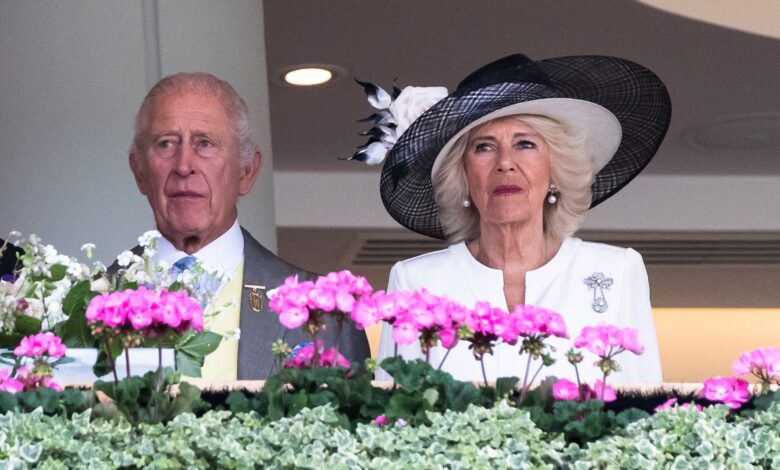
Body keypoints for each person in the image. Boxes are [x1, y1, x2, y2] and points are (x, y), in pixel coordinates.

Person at [350, 54, 670, 384]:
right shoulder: (415, 282)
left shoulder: (617, 272)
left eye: (525, 144)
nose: (505, 163)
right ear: (462, 175)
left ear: (555, 171)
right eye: (484, 147)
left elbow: (645, 411)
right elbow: (394, 416)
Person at [128, 72, 370, 380]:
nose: (184, 165)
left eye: (205, 143)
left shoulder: (327, 314)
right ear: (139, 171)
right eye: (165, 144)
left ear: (247, 171)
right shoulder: (85, 303)